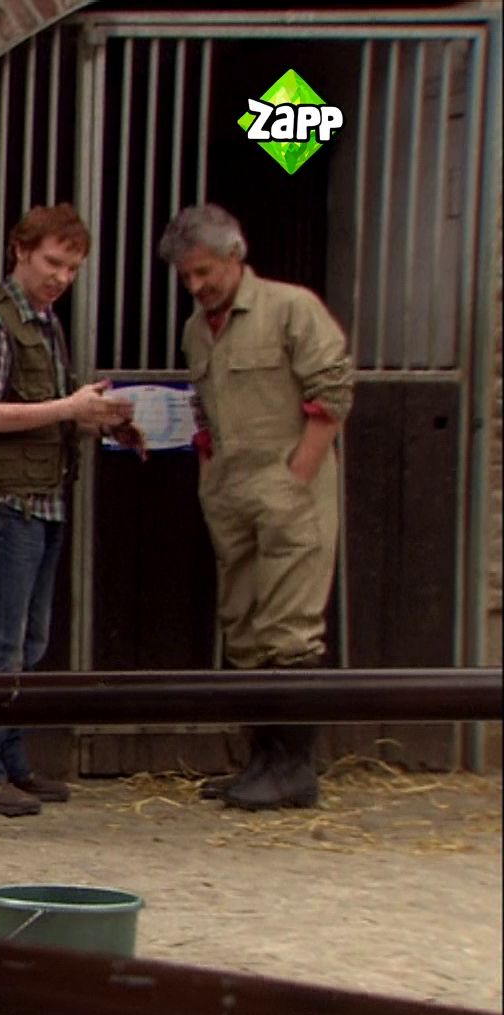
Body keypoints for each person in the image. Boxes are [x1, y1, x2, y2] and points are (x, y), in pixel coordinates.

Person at [0, 204, 144, 817]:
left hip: (43, 498)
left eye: (72, 268)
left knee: (28, 643)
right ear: (20, 251)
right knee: (0, 640)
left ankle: (7, 760)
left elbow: (45, 410)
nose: (61, 277)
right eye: (53, 263)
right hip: (8, 502)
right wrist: (68, 408)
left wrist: (98, 419)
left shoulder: (44, 323)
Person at [159, 204, 354, 812]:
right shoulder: (196, 331)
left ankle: (293, 770)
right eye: (186, 276)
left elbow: (333, 391)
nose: (196, 286)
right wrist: (209, 476)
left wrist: (298, 476)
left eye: (204, 272)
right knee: (242, 626)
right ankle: (262, 761)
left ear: (235, 255)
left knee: (288, 629)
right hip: (232, 494)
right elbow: (202, 409)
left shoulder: (291, 308)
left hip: (288, 490)